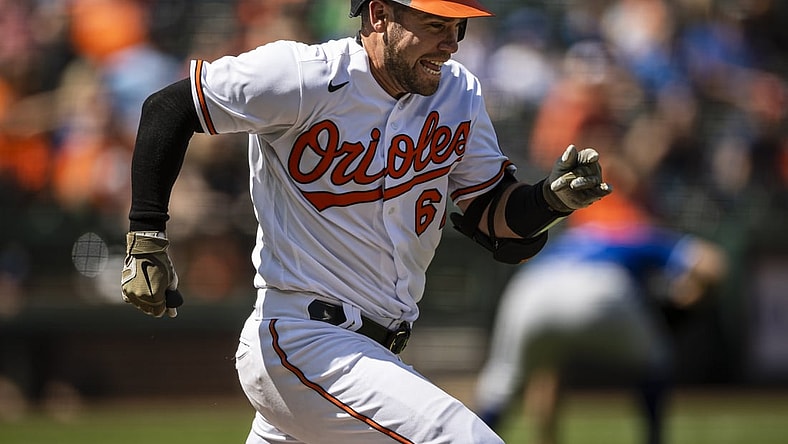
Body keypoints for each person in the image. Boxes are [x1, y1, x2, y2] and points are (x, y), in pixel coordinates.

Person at [119, 1, 611, 443]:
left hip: (372, 353)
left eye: (458, 26)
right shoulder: (304, 75)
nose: (452, 42)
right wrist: (147, 236)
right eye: (436, 23)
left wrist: (551, 201)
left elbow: (492, 216)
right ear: (378, 16)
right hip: (304, 339)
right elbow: (169, 107)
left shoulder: (458, 92)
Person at [473, 158, 728, 444]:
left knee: (501, 387)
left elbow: (546, 379)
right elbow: (712, 264)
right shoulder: (636, 230)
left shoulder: (574, 236)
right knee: (657, 362)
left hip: (530, 289)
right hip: (602, 289)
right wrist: (686, 299)